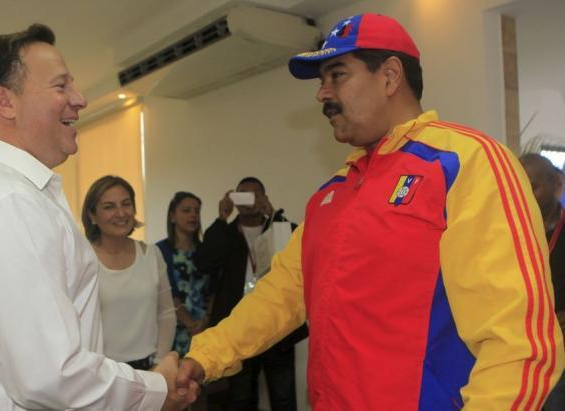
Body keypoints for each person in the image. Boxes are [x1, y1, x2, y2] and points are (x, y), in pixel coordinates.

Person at [177, 13, 565, 410]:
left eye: (337, 75)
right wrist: (203, 358)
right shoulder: (334, 191)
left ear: (390, 76)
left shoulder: (467, 162)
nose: (322, 94)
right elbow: (282, 293)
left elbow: (519, 347)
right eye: (321, 80)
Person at [0, 24, 197, 410]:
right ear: (5, 102)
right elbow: (51, 378)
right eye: (61, 86)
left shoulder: (5, 191)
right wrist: (157, 389)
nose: (80, 99)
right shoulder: (7, 203)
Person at [194, 177, 307, 411]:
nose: (249, 200)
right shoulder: (227, 232)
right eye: (242, 194)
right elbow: (203, 261)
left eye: (255, 194)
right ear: (234, 199)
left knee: (283, 395)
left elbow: (299, 251)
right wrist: (221, 218)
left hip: (277, 324)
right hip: (239, 323)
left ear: (264, 198)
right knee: (240, 398)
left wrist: (274, 215)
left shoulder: (277, 225)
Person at [81, 175, 176, 370]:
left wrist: (159, 364)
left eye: (126, 204)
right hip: (102, 372)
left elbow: (166, 312)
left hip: (149, 368)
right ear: (92, 216)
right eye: (109, 207)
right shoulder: (82, 259)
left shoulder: (151, 254)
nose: (121, 213)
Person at [520, 153, 565, 410]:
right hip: (523, 351)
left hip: (559, 352)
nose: (526, 194)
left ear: (555, 183)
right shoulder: (511, 231)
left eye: (533, 186)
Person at [155, 191, 212, 358]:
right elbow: (166, 292)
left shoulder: (207, 250)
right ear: (172, 216)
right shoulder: (159, 251)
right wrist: (190, 324)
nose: (193, 215)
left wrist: (205, 321)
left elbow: (215, 287)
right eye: (186, 210)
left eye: (196, 211)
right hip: (173, 329)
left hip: (204, 328)